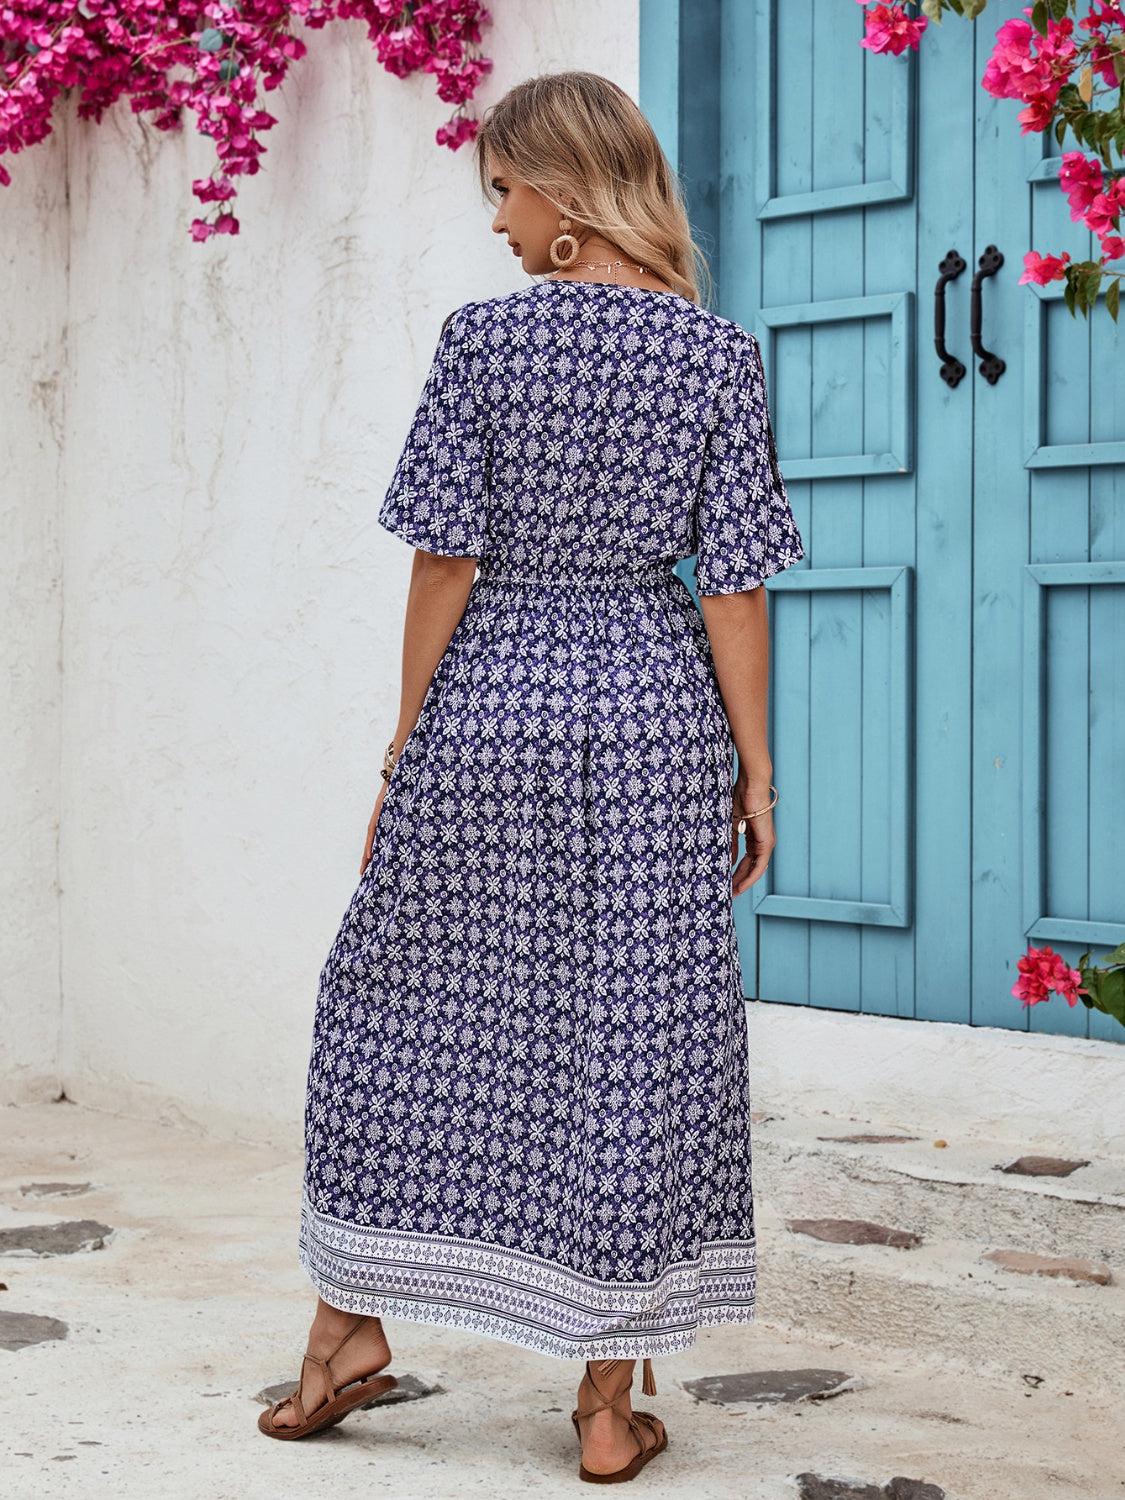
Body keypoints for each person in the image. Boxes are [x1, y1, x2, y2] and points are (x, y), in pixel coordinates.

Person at [257, 69, 805, 1484]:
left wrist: (401, 744)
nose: (496, 219)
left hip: (491, 703)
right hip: (647, 714)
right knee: (633, 1036)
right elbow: (732, 588)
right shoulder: (715, 355)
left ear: (563, 194)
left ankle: (342, 1334)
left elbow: (446, 558)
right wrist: (754, 771)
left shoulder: (485, 343)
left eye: (504, 188)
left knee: (399, 1002)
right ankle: (605, 1407)